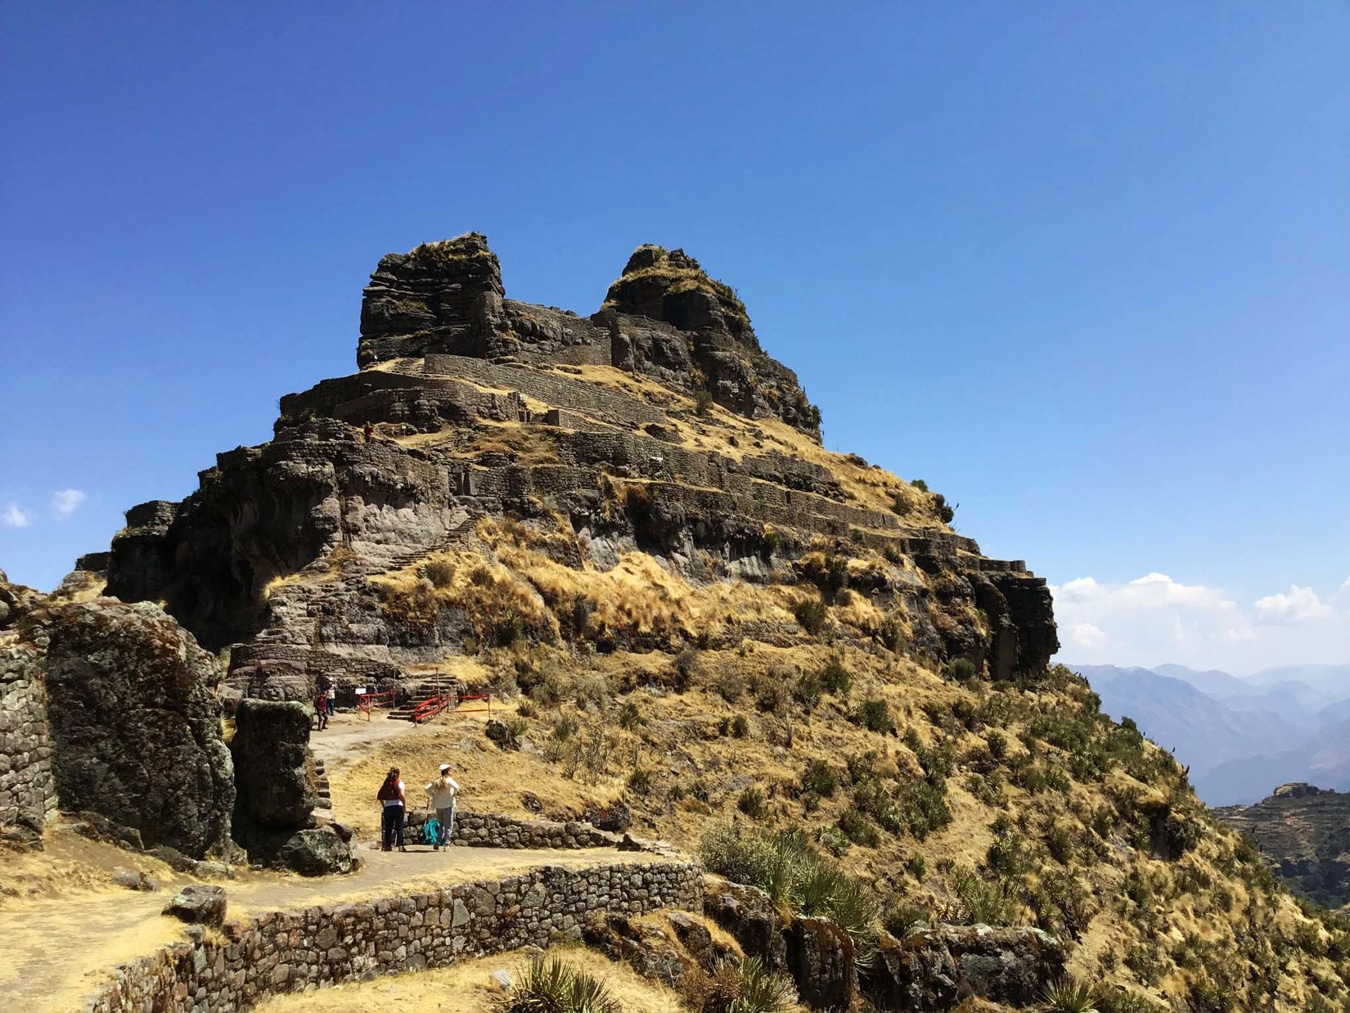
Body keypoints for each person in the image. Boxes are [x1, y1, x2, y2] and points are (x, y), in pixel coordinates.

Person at [424, 764, 460, 851]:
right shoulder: (449, 780)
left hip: (439, 806)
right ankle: (446, 844)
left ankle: (437, 842)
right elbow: (457, 787)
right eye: (451, 771)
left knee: (441, 825)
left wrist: (433, 795)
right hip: (448, 805)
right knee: (448, 826)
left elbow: (426, 788)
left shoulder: (437, 781)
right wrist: (453, 794)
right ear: (447, 772)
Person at [377, 767, 406, 852]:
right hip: (398, 806)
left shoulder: (386, 784)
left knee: (388, 828)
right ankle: (400, 846)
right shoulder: (400, 783)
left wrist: (384, 805)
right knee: (399, 827)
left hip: (388, 807)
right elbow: (401, 795)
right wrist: (404, 804)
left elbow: (379, 796)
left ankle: (387, 846)